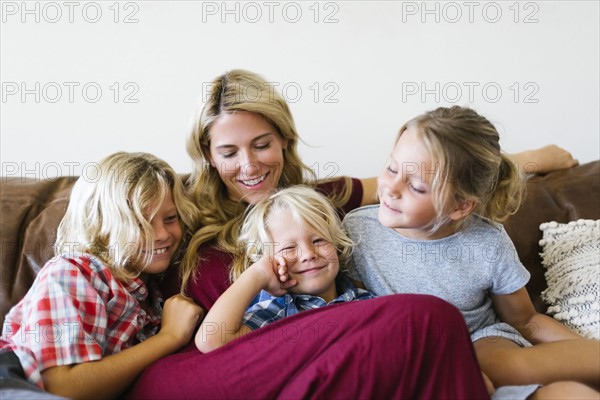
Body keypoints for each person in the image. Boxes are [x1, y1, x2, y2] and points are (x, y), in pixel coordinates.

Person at [128, 69, 576, 398]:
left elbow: (435, 179)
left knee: (427, 326)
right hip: (223, 361)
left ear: (284, 139)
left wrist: (528, 160)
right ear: (207, 156)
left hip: (319, 368)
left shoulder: (322, 200)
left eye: (262, 145)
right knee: (426, 319)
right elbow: (108, 244)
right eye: (228, 152)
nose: (249, 166)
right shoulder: (175, 212)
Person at [342, 106, 600, 399]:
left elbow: (525, 320)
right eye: (391, 168)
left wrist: (584, 347)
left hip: (481, 343)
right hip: (408, 357)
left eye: (415, 186)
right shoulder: (357, 229)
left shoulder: (487, 242)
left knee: (553, 386)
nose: (390, 188)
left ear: (460, 206)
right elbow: (357, 312)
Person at [0, 152, 204, 399]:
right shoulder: (73, 272)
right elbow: (62, 387)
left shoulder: (152, 295)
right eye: (140, 223)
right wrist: (169, 337)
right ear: (100, 226)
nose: (161, 234)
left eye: (170, 218)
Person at [196, 186, 375, 353]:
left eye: (318, 241)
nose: (308, 254)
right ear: (268, 260)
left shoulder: (366, 301)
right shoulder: (275, 311)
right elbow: (210, 340)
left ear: (336, 244)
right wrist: (259, 274)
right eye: (289, 248)